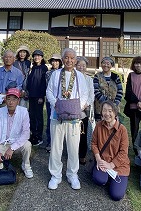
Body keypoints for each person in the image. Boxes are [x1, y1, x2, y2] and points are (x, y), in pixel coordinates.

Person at [46, 48, 88, 190]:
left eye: (72, 58)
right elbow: (49, 92)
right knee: (56, 147)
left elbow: (84, 94)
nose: (69, 60)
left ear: (75, 60)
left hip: (74, 118)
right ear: (62, 59)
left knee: (73, 147)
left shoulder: (80, 77)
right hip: (57, 115)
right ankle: (55, 175)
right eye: (66, 57)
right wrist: (57, 105)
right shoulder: (56, 74)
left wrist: (77, 108)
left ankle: (72, 174)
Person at [0, 88, 33, 179]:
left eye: (14, 99)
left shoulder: (23, 112)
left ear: (18, 101)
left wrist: (12, 148)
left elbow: (26, 134)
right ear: (5, 100)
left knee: (27, 145)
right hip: (2, 142)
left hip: (16, 143)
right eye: (9, 99)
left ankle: (26, 165)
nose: (11, 102)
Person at [91, 100, 130, 201]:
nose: (107, 114)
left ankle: (112, 179)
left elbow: (123, 153)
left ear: (115, 112)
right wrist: (99, 160)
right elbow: (94, 144)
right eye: (104, 110)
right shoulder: (99, 125)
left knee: (116, 196)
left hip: (119, 166)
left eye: (110, 111)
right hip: (103, 162)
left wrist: (111, 165)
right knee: (99, 180)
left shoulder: (122, 130)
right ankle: (106, 177)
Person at [26, 49, 48, 146]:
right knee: (31, 115)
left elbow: (44, 83)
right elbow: (30, 81)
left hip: (39, 96)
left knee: (39, 116)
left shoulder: (44, 68)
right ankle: (33, 134)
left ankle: (39, 136)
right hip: (31, 95)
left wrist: (41, 96)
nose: (36, 57)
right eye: (35, 56)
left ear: (42, 58)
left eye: (39, 56)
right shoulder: (33, 68)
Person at [76, 56, 95, 165]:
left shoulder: (89, 79)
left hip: (84, 110)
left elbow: (91, 95)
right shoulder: (73, 77)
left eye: (83, 65)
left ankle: (82, 155)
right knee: (73, 133)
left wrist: (84, 105)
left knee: (83, 132)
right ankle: (72, 153)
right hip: (72, 109)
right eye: (79, 65)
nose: (81, 67)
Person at [94, 57, 123, 121]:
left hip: (114, 106)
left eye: (108, 63)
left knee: (113, 126)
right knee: (101, 127)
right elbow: (95, 90)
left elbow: (120, 91)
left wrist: (115, 103)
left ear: (111, 65)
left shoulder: (115, 76)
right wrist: (106, 103)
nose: (106, 65)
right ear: (101, 65)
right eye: (104, 63)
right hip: (100, 107)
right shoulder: (97, 76)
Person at [45, 53, 62, 152]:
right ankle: (50, 142)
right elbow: (47, 87)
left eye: (57, 61)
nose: (55, 62)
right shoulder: (48, 73)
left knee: (61, 121)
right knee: (50, 120)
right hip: (50, 100)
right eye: (53, 61)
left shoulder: (63, 72)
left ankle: (59, 143)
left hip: (61, 100)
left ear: (60, 62)